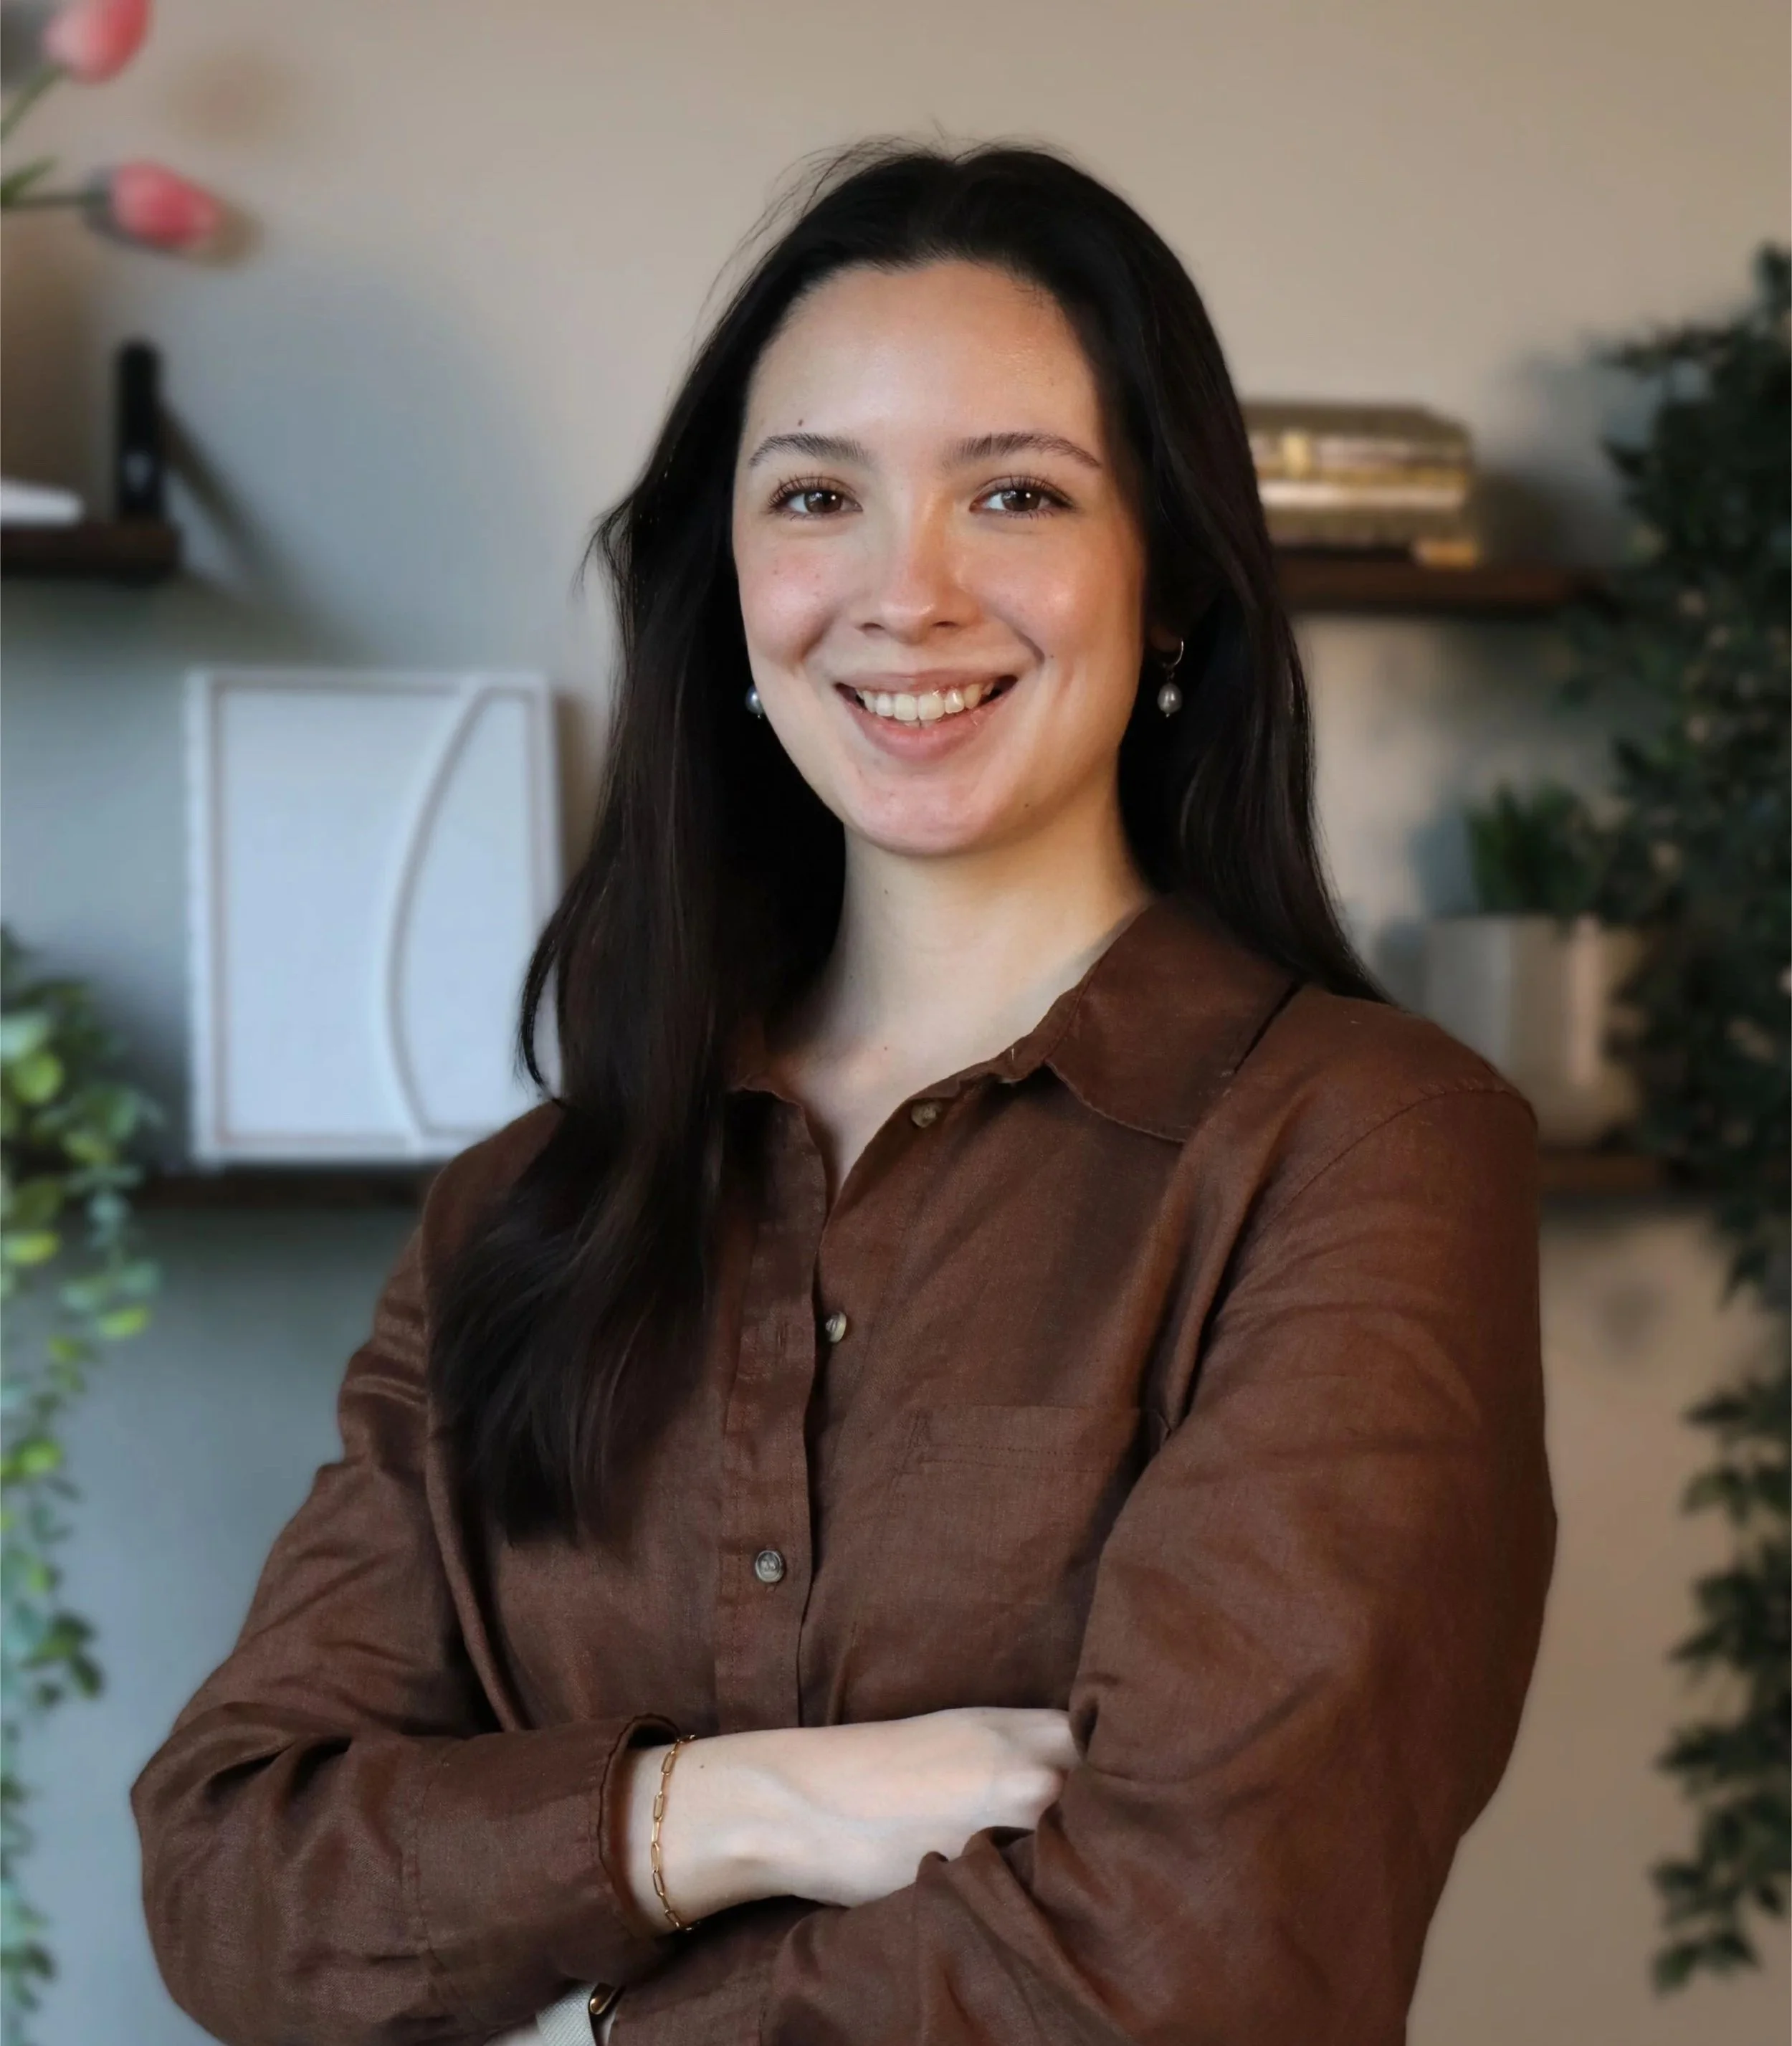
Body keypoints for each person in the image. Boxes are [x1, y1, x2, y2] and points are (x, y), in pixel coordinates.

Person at [133, 141, 1555, 2046]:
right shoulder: (524, 1211)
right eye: (818, 493)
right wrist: (724, 1808)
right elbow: (234, 1879)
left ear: (1176, 589)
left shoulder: (1361, 1144)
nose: (908, 590)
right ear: (727, 589)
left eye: (1017, 492)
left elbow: (1197, 1958)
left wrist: (578, 1961)